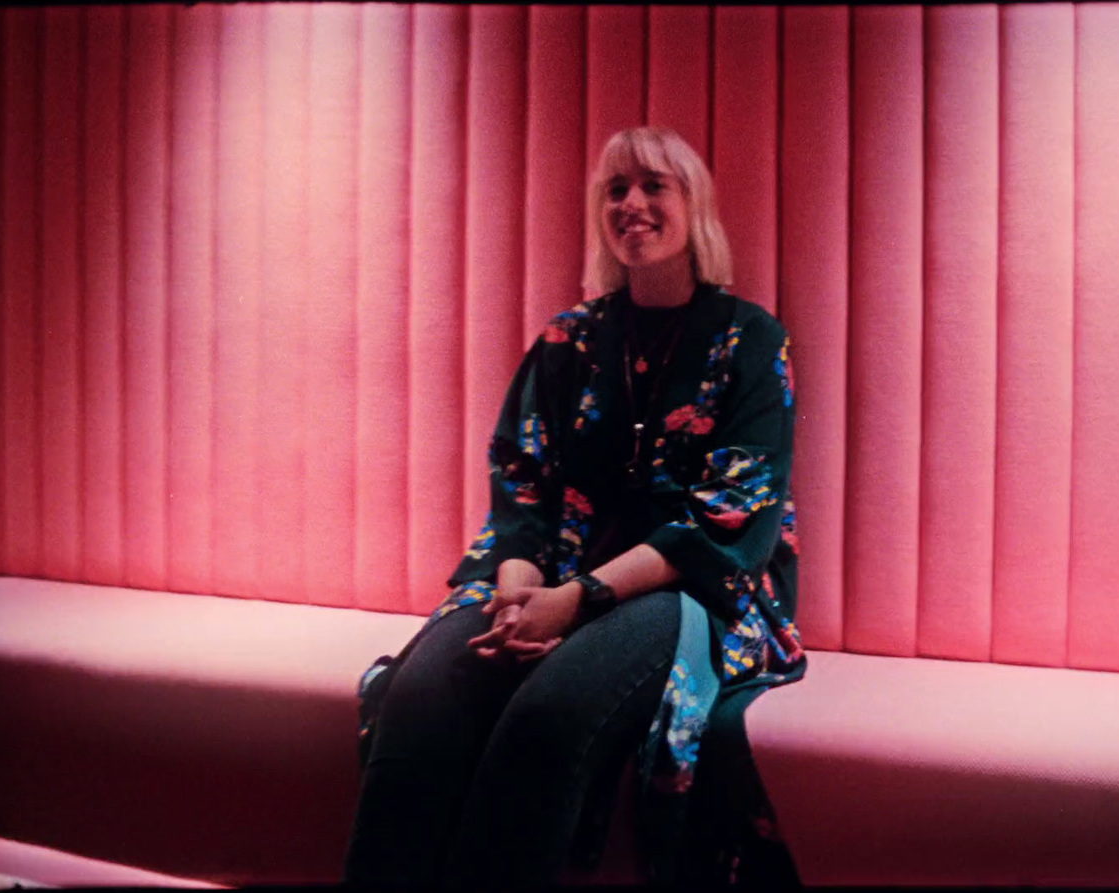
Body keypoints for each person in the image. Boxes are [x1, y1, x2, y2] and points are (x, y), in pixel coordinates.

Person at [343, 125, 807, 889]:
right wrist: (518, 588)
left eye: (654, 185)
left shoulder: (751, 340)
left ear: (695, 206)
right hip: (550, 577)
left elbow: (729, 518)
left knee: (547, 717)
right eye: (615, 189)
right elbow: (522, 482)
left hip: (685, 591)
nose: (632, 204)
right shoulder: (570, 338)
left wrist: (576, 600)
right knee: (419, 698)